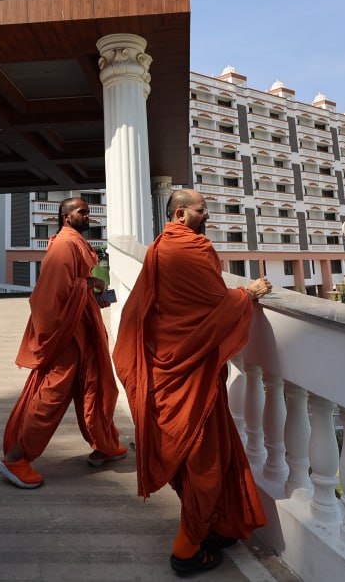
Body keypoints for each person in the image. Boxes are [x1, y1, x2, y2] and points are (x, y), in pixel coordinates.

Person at [113, 188, 272, 575]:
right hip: (188, 372)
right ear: (181, 214)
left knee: (194, 454)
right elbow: (217, 308)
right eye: (203, 210)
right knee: (205, 458)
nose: (209, 216)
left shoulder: (157, 248)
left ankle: (213, 524)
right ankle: (186, 548)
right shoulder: (192, 250)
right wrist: (247, 294)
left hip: (170, 365)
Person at [0, 197, 126, 489]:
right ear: (66, 217)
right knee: (52, 396)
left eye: (88, 212)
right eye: (82, 212)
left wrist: (91, 295)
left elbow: (73, 286)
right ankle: (15, 459)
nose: (88, 216)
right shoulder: (64, 245)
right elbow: (49, 296)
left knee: (92, 387)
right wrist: (87, 287)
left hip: (81, 331)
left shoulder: (73, 242)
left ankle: (104, 445)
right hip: (67, 336)